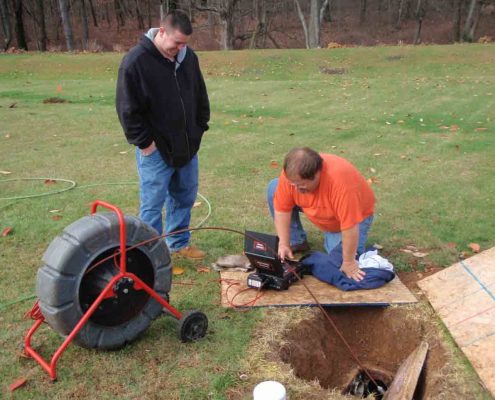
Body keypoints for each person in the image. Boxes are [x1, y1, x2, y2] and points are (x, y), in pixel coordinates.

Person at [116, 10, 210, 260]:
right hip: (155, 150)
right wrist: (145, 143)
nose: (179, 48)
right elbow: (127, 108)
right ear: (161, 32)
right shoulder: (135, 62)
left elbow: (200, 94)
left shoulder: (188, 58)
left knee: (185, 196)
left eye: (184, 44)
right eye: (176, 42)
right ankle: (150, 255)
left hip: (187, 145)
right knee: (152, 205)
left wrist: (199, 127)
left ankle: (178, 243)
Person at [267, 147, 375, 281]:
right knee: (274, 188)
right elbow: (282, 209)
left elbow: (350, 227)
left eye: (301, 186)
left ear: (317, 174)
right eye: (292, 184)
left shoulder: (342, 185)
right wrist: (283, 243)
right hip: (322, 208)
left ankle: (345, 247)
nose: (294, 189)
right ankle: (296, 241)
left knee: (337, 263)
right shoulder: (292, 174)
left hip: (353, 218)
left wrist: (348, 262)